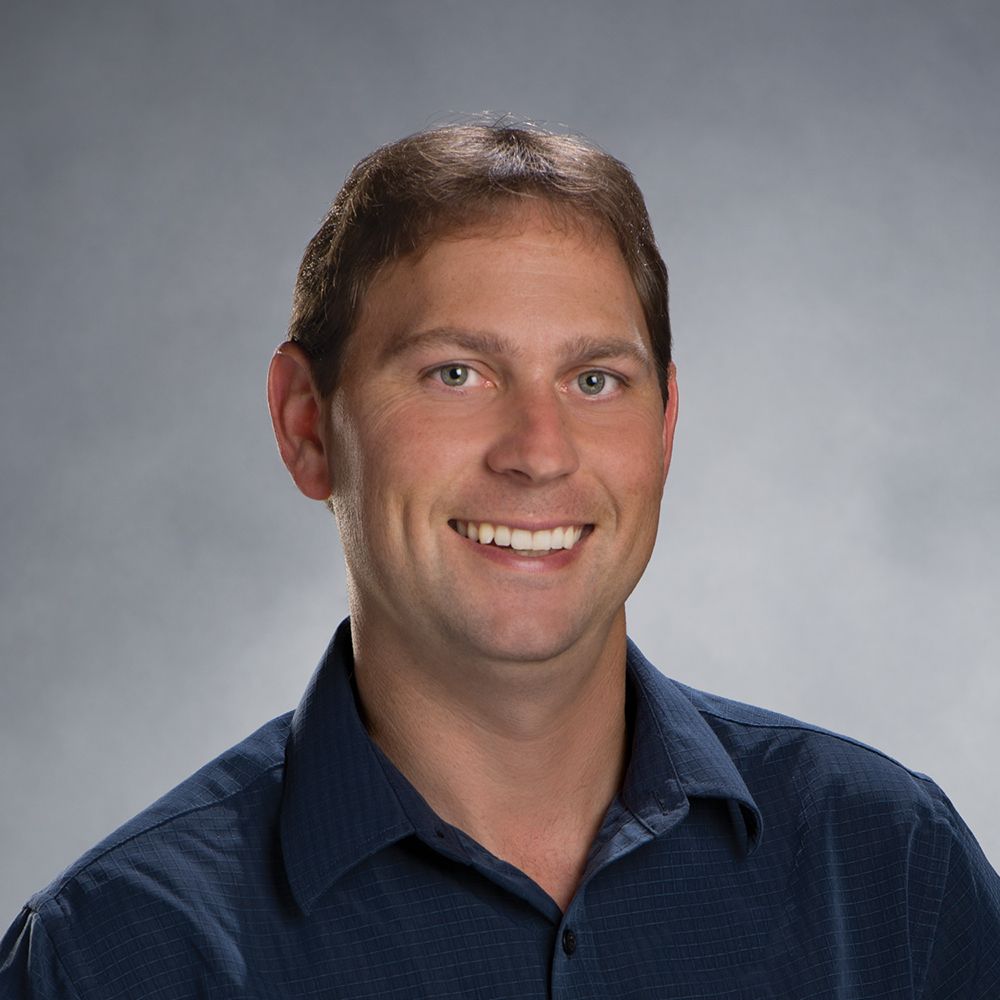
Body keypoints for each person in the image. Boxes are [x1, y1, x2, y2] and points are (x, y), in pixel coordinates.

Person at [2, 123, 998, 999]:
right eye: (455, 373)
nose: (537, 449)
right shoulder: (121, 954)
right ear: (307, 426)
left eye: (596, 378)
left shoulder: (888, 870)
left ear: (664, 428)